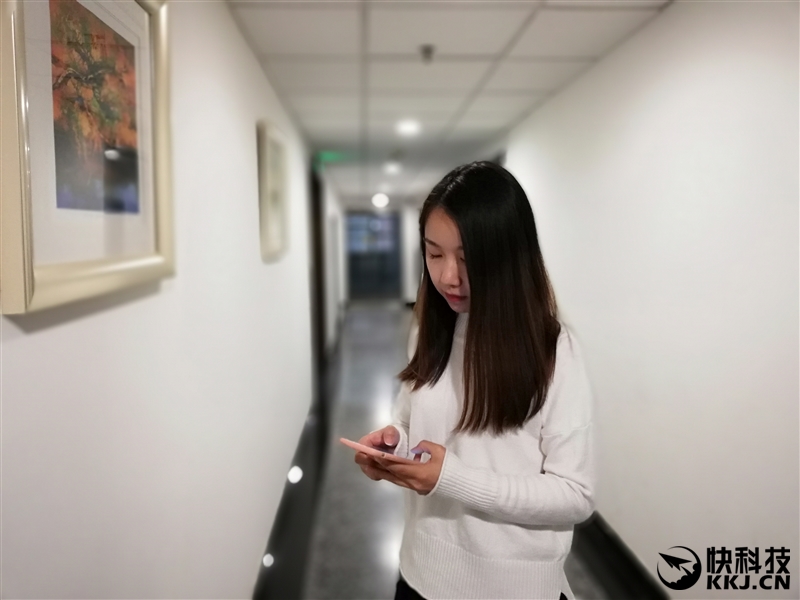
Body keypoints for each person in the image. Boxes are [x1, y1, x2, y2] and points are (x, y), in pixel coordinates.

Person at [353, 161, 596, 600]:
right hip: (421, 576)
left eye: (468, 259)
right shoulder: (430, 329)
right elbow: (409, 422)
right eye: (434, 254)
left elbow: (574, 494)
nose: (448, 276)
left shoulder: (553, 350)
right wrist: (394, 445)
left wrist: (451, 477)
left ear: (508, 257)